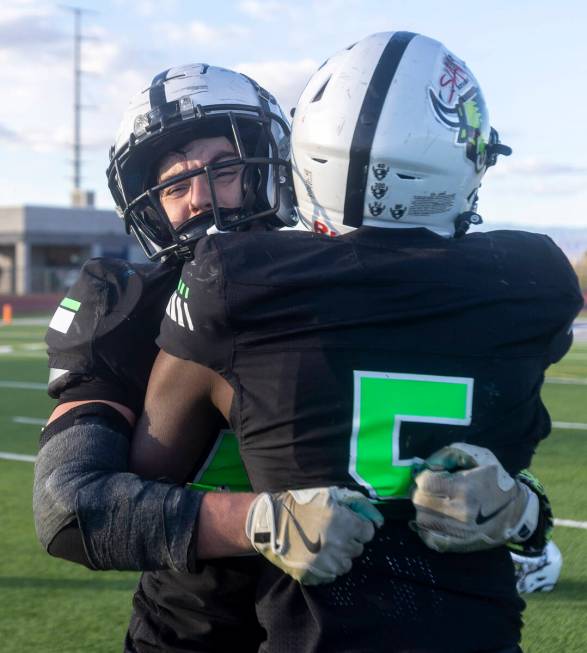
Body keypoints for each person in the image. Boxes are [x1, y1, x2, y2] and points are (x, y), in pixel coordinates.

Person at [132, 32, 583, 652]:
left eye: (223, 171)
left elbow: (135, 480)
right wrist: (523, 512)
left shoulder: (232, 277)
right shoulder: (533, 280)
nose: (200, 198)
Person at [33, 64, 383, 653]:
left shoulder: (345, 276)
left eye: (223, 170)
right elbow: (68, 506)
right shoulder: (125, 308)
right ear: (150, 207)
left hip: (351, 623)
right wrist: (262, 523)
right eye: (175, 185)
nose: (201, 198)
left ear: (267, 169)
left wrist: (514, 499)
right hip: (192, 629)